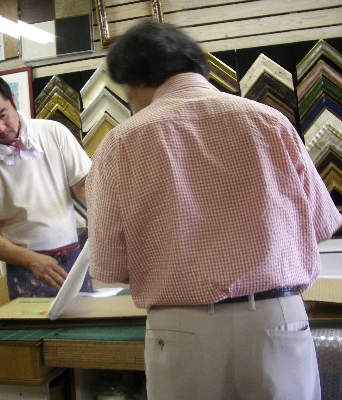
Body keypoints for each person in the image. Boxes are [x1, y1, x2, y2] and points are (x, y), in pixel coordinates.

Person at [85, 21, 342, 400]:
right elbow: (321, 223)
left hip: (180, 326)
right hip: (275, 319)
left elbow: (110, 265)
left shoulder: (119, 144)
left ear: (136, 80)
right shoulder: (270, 121)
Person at [0, 74, 93, 299]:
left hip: (71, 254)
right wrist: (31, 260)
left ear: (12, 99)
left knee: (86, 318)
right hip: (22, 266)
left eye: (2, 115)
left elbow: (83, 185)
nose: (0, 128)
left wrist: (104, 222)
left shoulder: (53, 133)